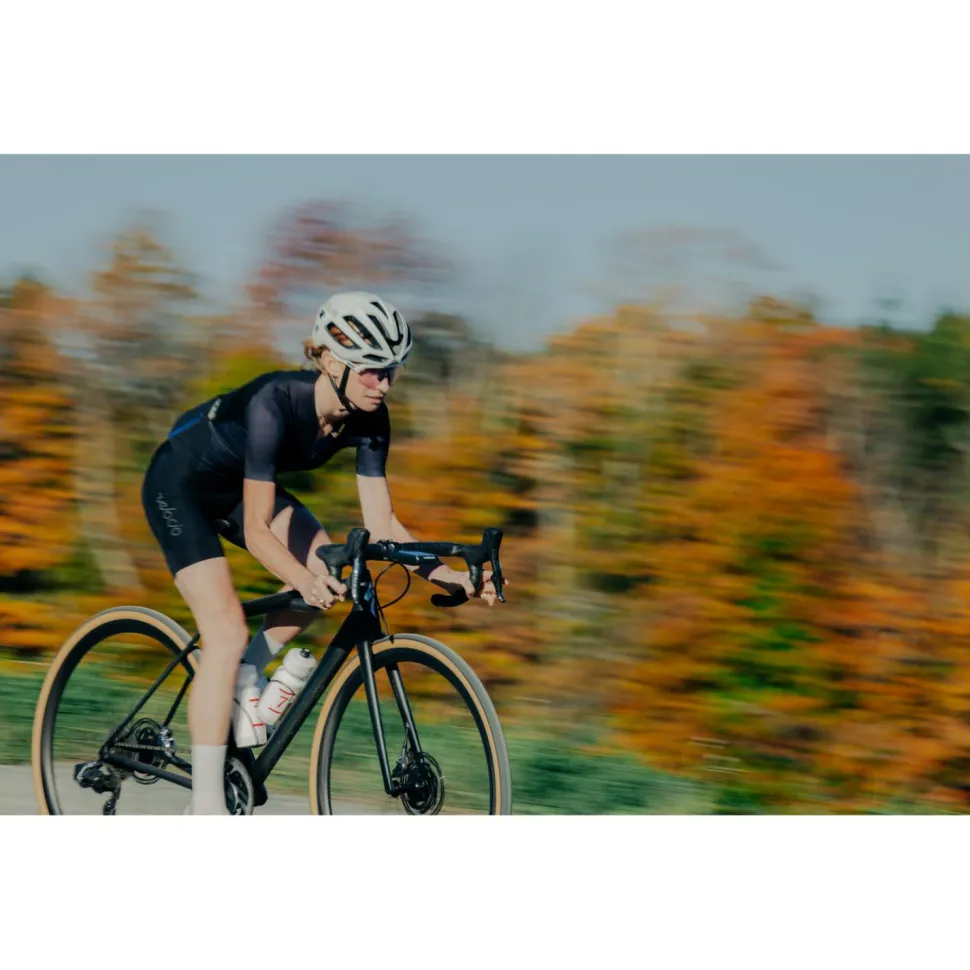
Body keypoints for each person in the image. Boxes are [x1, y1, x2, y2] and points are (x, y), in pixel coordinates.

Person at [141, 291, 505, 814]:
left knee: (331, 566)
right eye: (371, 370)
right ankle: (206, 807)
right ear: (333, 362)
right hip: (179, 486)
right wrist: (303, 581)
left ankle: (244, 675)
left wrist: (447, 575)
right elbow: (260, 531)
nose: (383, 384)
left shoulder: (371, 419)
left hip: (239, 490)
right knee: (226, 630)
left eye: (391, 371)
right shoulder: (274, 402)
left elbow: (383, 524)